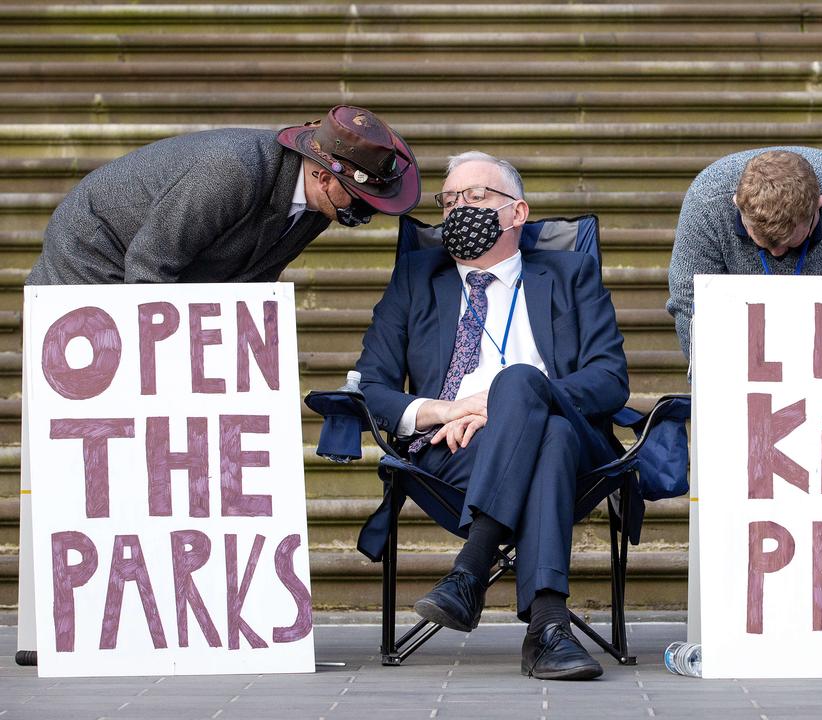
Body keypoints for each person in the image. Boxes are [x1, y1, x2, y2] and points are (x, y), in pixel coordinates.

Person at [354, 151, 629, 680]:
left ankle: (469, 572)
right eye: (450, 200)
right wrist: (452, 408)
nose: (459, 209)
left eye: (476, 197)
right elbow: (371, 385)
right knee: (545, 434)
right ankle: (548, 630)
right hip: (454, 447)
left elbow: (610, 379)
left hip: (578, 441)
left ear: (517, 213)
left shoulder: (571, 273)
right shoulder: (416, 277)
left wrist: (511, 398)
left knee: (524, 384)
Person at [27, 105, 419, 285]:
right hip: (91, 256)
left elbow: (258, 275)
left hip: (152, 264)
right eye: (359, 197)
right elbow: (150, 265)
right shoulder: (231, 170)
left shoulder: (322, 204)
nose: (366, 211)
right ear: (323, 177)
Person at [665, 146, 822, 359]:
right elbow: (690, 303)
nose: (777, 254)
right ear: (736, 204)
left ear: (819, 205)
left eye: (790, 243)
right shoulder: (706, 202)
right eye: (764, 244)